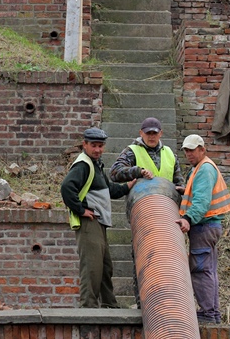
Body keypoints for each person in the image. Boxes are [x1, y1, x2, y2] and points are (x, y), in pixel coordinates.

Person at [110, 117, 186, 308]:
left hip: (168, 213)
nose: (151, 137)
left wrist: (182, 189)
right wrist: (137, 171)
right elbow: (115, 172)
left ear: (161, 134)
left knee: (167, 259)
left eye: (155, 133)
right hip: (143, 213)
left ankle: (168, 301)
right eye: (148, 133)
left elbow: (179, 179)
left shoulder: (169, 153)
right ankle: (142, 302)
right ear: (141, 133)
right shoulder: (132, 151)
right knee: (143, 256)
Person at [61, 127, 136, 308]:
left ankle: (110, 304)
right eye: (93, 145)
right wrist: (81, 210)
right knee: (92, 266)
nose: (97, 149)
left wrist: (128, 185)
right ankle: (88, 306)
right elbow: (66, 188)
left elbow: (109, 190)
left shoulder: (96, 165)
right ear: (85, 145)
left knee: (105, 266)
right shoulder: (83, 165)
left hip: (99, 222)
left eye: (101, 146)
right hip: (89, 222)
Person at [176, 134, 230, 324]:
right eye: (186, 150)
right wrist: (185, 191)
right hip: (210, 226)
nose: (188, 154)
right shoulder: (200, 168)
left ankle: (208, 313)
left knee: (201, 270)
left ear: (202, 149)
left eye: (192, 150)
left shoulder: (204, 170)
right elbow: (199, 193)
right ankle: (212, 312)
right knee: (208, 269)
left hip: (203, 226)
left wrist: (187, 219)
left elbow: (202, 201)